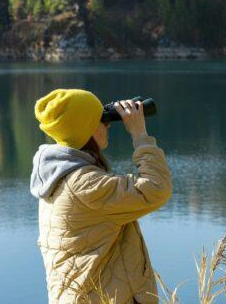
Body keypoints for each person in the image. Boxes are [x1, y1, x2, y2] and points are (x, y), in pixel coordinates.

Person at [30, 88, 172, 304]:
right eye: (101, 119)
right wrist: (140, 135)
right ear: (83, 130)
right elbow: (155, 188)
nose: (107, 124)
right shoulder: (84, 184)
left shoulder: (58, 173)